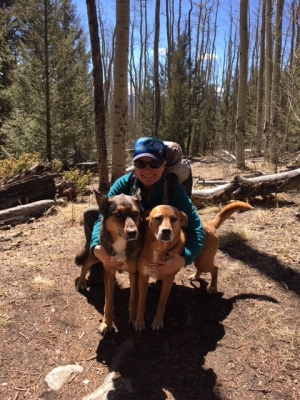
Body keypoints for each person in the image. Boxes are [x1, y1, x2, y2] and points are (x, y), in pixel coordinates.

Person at [79, 136, 206, 282]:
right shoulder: (124, 183)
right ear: (134, 165)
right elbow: (103, 216)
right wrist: (96, 246)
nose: (147, 170)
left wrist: (184, 259)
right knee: (91, 213)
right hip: (130, 228)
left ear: (164, 165)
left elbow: (196, 230)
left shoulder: (174, 189)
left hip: (155, 233)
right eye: (140, 164)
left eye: (154, 164)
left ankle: (158, 272)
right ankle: (100, 264)